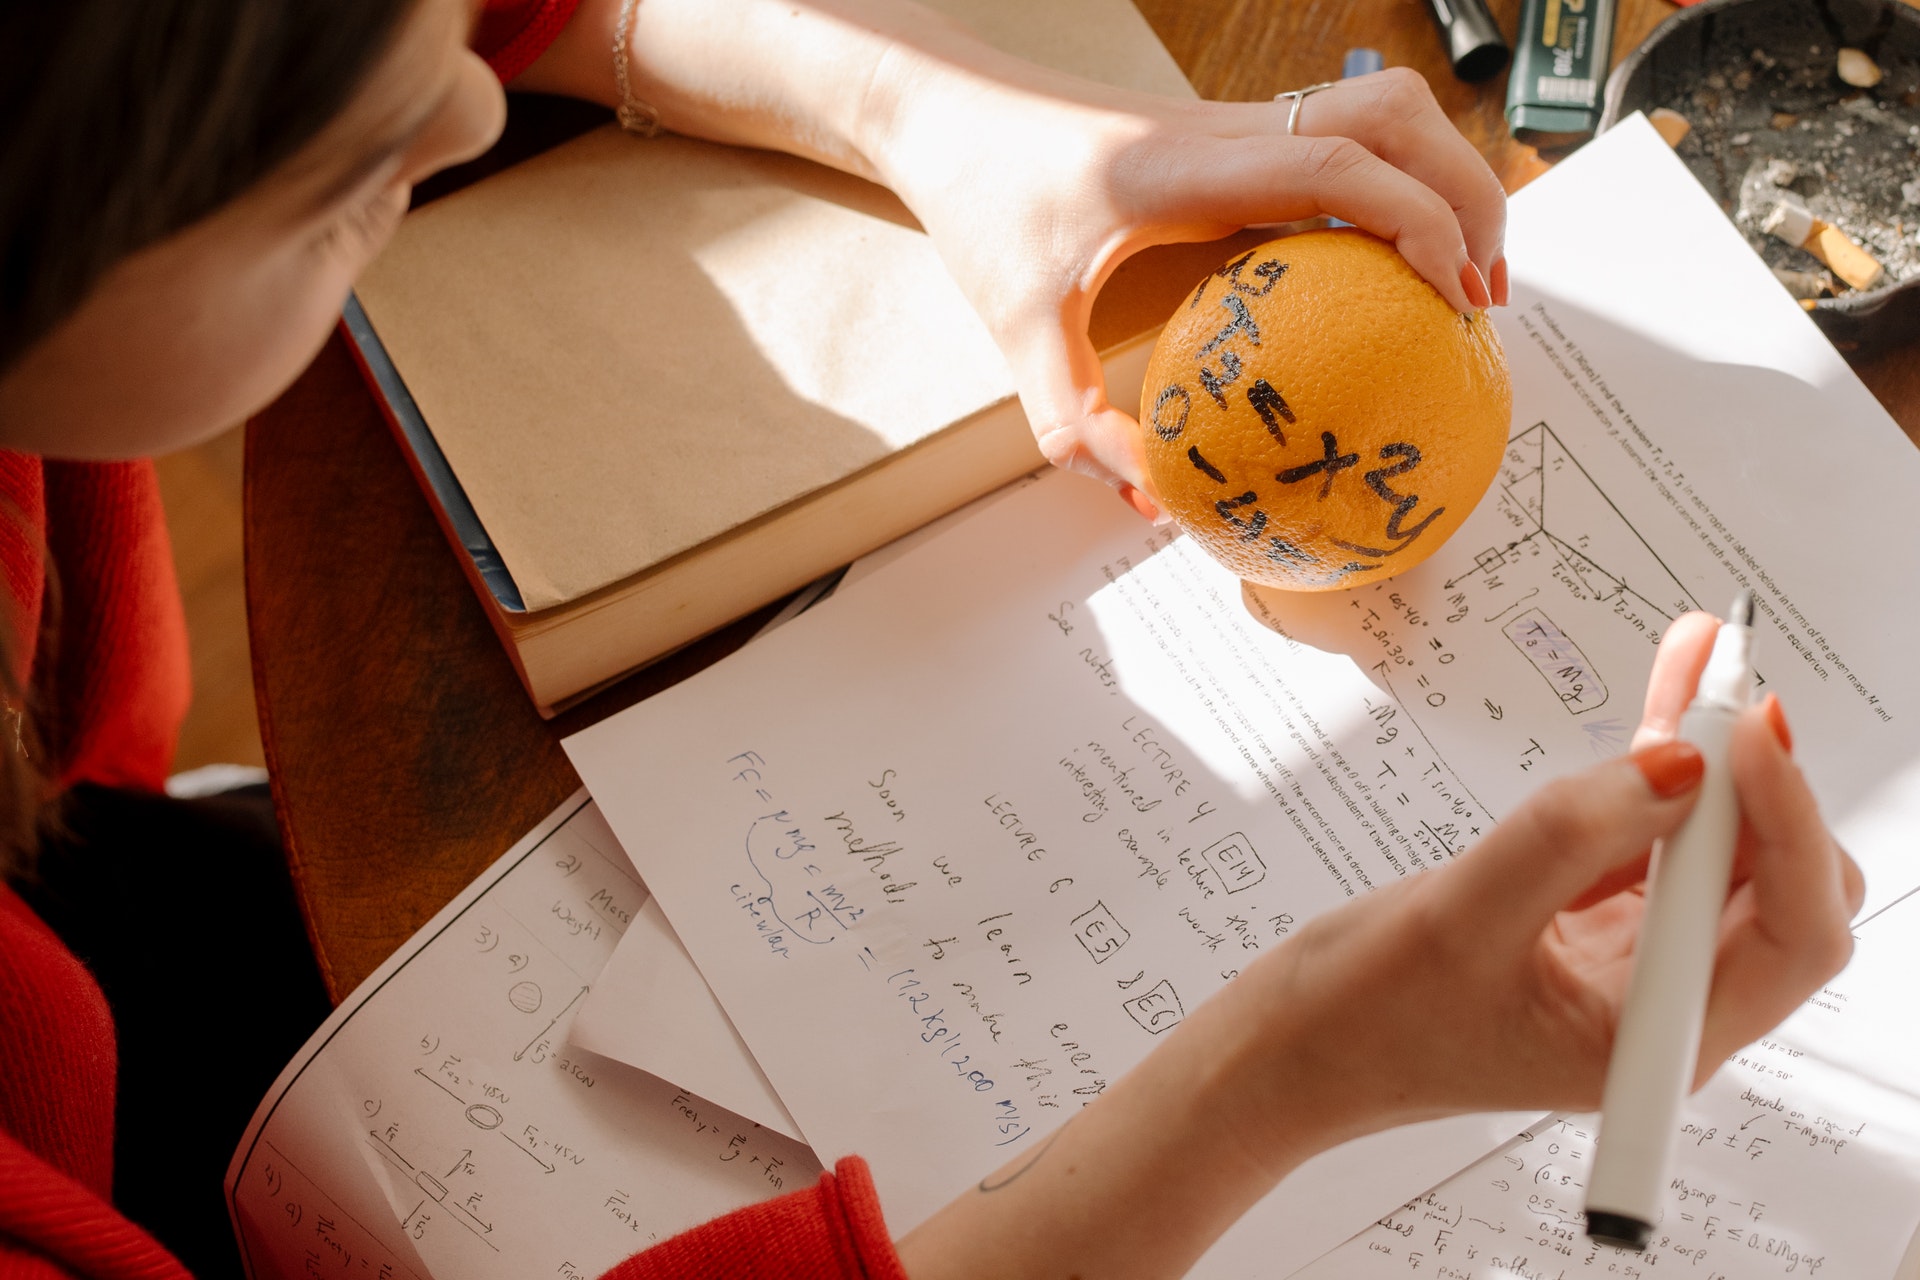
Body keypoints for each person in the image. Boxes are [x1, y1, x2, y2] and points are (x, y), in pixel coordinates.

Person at [0, 0, 1862, 1278]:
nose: (467, 108)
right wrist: (1286, 1071)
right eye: (332, 179)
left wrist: (935, 114)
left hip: (93, 877)